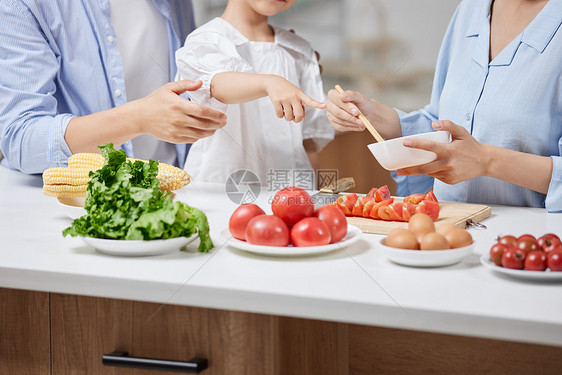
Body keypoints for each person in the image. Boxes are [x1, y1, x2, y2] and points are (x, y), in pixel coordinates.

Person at [326, 0, 562, 212]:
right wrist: (376, 117)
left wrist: (487, 161)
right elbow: (445, 124)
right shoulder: (471, 9)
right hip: (446, 231)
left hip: (526, 245)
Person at [0, 0, 227, 175]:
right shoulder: (22, 5)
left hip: (169, 196)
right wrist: (138, 118)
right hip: (69, 209)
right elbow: (20, 138)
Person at [175, 0, 334, 185]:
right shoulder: (206, 40)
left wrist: (312, 197)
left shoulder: (298, 50)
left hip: (288, 192)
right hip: (222, 187)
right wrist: (269, 82)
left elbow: (308, 142)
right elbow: (213, 85)